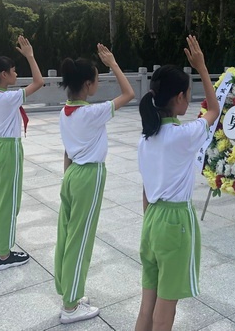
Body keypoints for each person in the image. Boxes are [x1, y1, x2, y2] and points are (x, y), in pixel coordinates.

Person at [135, 36, 220, 331]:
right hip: (174, 221)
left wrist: (150, 222)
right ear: (180, 97)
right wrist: (202, 68)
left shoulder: (145, 139)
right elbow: (214, 111)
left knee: (148, 302)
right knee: (166, 305)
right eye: (188, 94)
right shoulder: (182, 136)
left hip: (151, 219)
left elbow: (146, 189)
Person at [55, 44, 135, 324]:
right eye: (97, 79)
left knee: (68, 234)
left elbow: (67, 151)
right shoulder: (92, 112)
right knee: (81, 238)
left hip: (72, 175)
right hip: (88, 176)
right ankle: (70, 306)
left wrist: (66, 179)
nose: (98, 84)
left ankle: (70, 291)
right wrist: (113, 63)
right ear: (87, 84)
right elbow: (129, 93)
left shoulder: (65, 111)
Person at [0, 36, 43, 270]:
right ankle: (5, 255)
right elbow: (38, 82)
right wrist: (30, 57)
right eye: (13, 70)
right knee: (9, 201)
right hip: (8, 149)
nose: (16, 74)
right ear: (4, 75)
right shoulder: (8, 98)